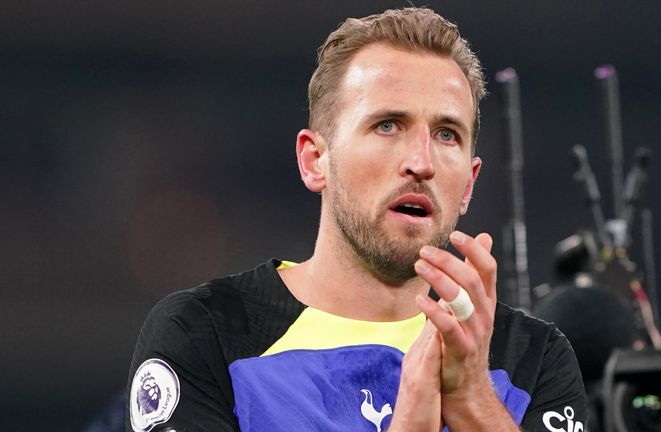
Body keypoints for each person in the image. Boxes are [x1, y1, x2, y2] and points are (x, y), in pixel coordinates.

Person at [126, 7, 586, 432]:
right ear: (314, 160)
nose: (420, 161)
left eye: (447, 134)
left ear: (469, 182)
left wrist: (472, 402)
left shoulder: (533, 358)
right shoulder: (206, 333)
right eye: (387, 125)